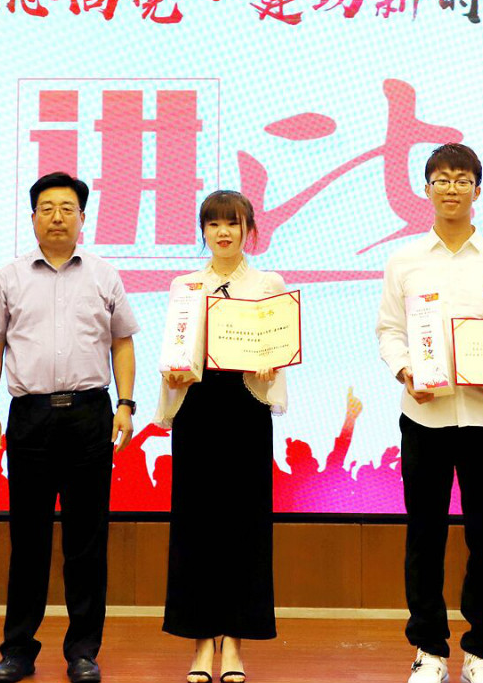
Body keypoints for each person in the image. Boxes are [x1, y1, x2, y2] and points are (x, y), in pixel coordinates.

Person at [0, 172, 139, 683]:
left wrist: (126, 404)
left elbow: (123, 342)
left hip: (90, 415)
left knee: (86, 542)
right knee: (29, 540)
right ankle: (17, 651)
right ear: (33, 218)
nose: (57, 217)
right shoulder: (10, 277)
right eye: (46, 208)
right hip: (31, 418)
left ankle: (83, 652)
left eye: (67, 208)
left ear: (82, 217)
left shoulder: (104, 275)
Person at [375, 144, 483, 683]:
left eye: (462, 180)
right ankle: (430, 651)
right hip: (425, 418)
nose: (452, 188)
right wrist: (405, 371)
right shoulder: (405, 261)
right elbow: (389, 330)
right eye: (442, 179)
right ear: (427, 189)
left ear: (477, 190)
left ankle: (482, 653)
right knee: (425, 536)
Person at [155, 190, 287, 683]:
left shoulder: (268, 283)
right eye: (213, 224)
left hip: (246, 407)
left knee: (244, 527)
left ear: (249, 229)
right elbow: (175, 348)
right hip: (199, 408)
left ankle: (234, 643)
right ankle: (200, 644)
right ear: (203, 231)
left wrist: (272, 361)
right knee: (196, 527)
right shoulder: (186, 285)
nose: (224, 232)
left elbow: (280, 346)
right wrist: (172, 373)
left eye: (233, 223)